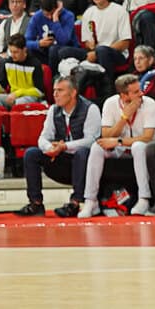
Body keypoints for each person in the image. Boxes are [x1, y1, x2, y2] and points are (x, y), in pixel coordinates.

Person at [17, 74, 100, 219]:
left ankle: (75, 203)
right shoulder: (53, 110)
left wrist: (65, 146)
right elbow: (43, 137)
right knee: (31, 154)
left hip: (83, 163)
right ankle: (36, 202)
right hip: (60, 159)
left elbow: (91, 140)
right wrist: (50, 148)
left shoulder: (90, 109)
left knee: (83, 152)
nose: (55, 94)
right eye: (54, 90)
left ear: (73, 92)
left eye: (60, 90)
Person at [85, 72, 155, 215]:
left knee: (138, 146)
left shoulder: (149, 103)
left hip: (146, 146)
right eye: (135, 92)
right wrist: (124, 117)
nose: (141, 94)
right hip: (121, 147)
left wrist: (118, 141)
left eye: (140, 89)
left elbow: (147, 137)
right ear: (123, 95)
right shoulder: (110, 103)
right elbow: (106, 135)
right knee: (97, 147)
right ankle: (91, 201)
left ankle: (143, 198)